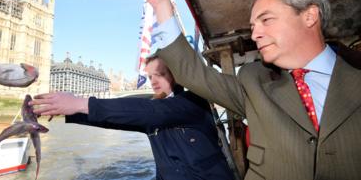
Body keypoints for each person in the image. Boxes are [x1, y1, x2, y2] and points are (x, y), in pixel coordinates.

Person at [136, 0, 361, 180]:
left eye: (266, 20)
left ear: (310, 16)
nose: (254, 34)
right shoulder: (254, 81)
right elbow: (192, 73)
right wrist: (161, 4)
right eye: (253, 26)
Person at [29, 56, 234, 180]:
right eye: (150, 76)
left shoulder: (193, 102)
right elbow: (117, 117)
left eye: (159, 74)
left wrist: (80, 103)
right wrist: (70, 111)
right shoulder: (153, 110)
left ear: (176, 75)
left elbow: (151, 111)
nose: (153, 82)